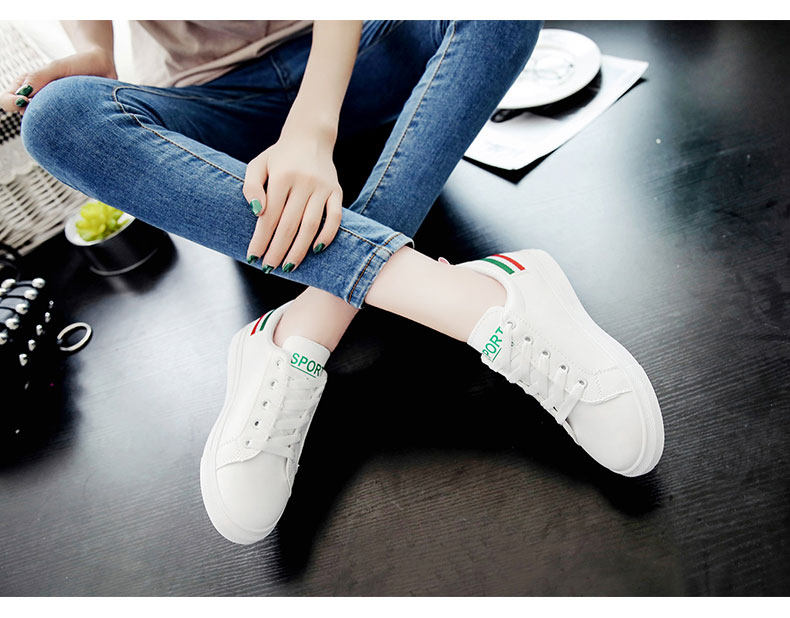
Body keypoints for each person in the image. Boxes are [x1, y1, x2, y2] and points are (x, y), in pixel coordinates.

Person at [2, 20, 664, 545]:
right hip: (214, 101)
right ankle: (478, 302)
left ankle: (304, 331)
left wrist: (313, 126)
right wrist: (96, 49)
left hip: (359, 57)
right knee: (58, 118)